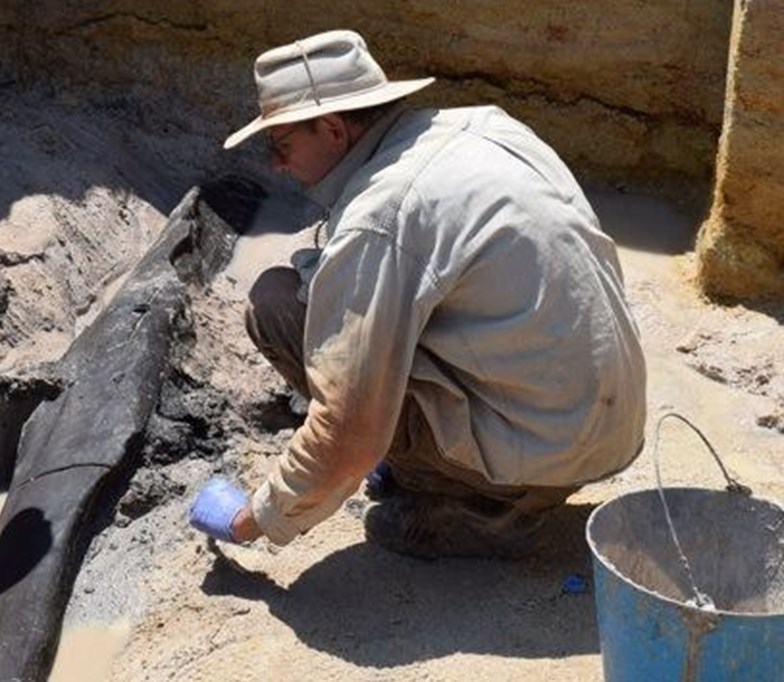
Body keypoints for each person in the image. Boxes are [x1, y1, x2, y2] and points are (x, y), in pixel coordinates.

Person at [189, 29, 646, 559]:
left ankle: (487, 511)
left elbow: (346, 429)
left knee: (276, 306)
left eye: (282, 145)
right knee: (329, 307)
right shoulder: (485, 125)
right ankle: (449, 471)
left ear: (334, 129)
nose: (275, 164)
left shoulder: (382, 215)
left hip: (543, 454)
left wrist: (253, 520)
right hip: (607, 425)